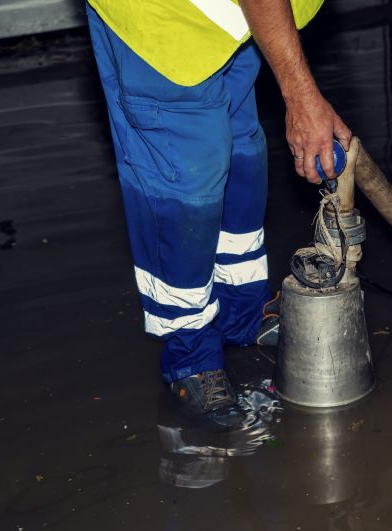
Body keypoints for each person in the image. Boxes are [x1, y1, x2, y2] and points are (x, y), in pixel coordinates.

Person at [85, 0, 352, 418]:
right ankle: (189, 351)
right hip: (163, 23)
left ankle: (242, 312)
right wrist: (301, 96)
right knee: (183, 179)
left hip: (231, 20)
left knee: (240, 151)